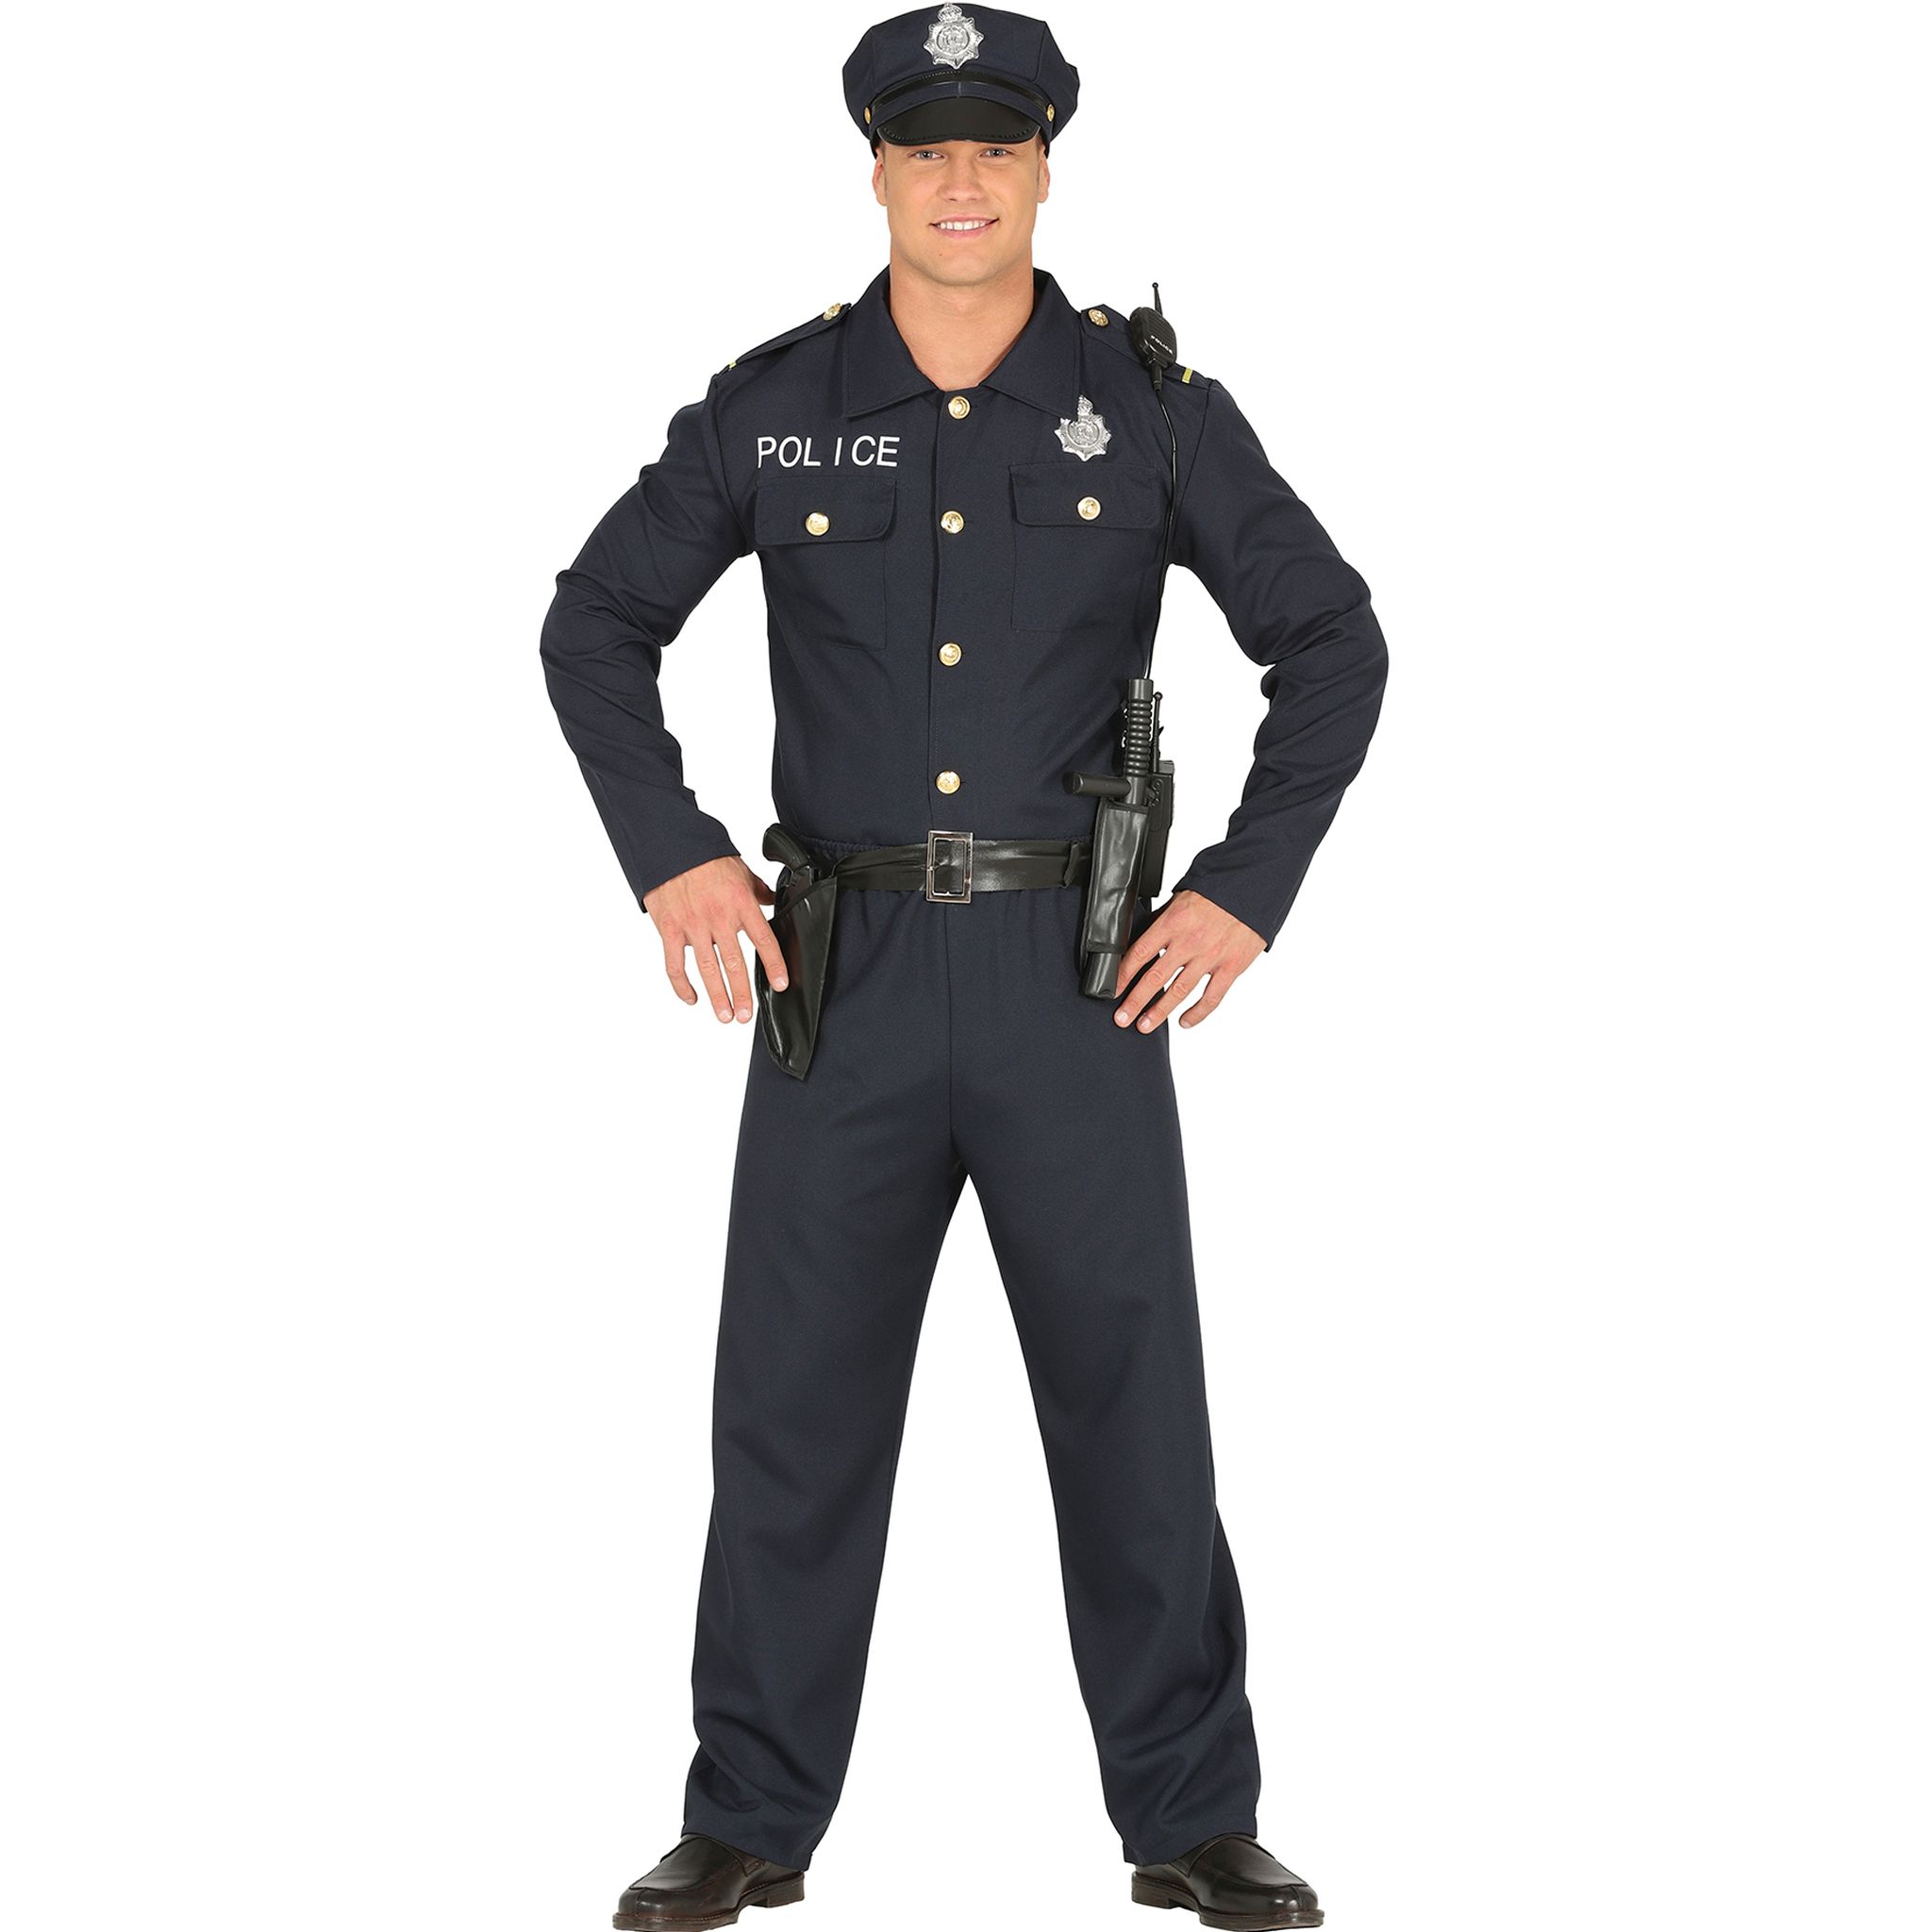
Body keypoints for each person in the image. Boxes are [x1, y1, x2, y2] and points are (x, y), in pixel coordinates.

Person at [539, 8, 1387, 1926]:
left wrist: (1241, 893)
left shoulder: (1148, 412)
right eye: (926, 147)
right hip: (832, 979)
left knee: (1132, 1404)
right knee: (791, 1412)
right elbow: (595, 623)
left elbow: (1330, 640)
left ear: (1045, 169)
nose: (961, 179)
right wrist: (673, 854)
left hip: (1073, 982)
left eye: (996, 145)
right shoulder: (776, 409)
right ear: (876, 171)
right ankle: (748, 1814)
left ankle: (1191, 1815)